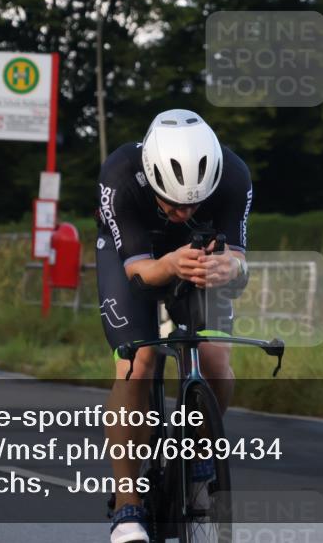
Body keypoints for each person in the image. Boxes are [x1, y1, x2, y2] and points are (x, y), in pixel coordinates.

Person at [96, 109, 252, 543]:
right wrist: (166, 263)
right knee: (138, 363)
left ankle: (198, 455)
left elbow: (241, 261)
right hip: (134, 258)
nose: (184, 213)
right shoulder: (122, 172)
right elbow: (138, 273)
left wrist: (230, 269)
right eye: (173, 204)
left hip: (200, 259)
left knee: (216, 360)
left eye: (194, 204)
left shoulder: (234, 174)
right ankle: (127, 503)